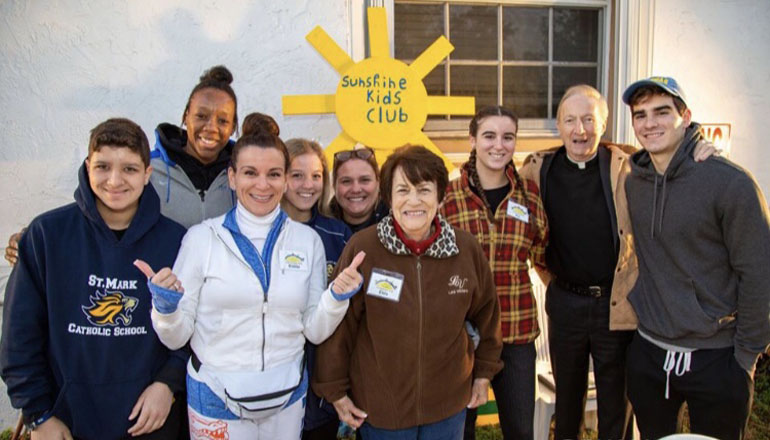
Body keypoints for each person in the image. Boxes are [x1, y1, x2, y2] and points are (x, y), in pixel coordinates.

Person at [519, 85, 719, 440]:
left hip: (615, 304)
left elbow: (669, 151)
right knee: (567, 404)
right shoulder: (538, 169)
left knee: (617, 406)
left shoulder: (627, 165)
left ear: (604, 123)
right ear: (558, 126)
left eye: (588, 120)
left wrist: (699, 140)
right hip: (564, 301)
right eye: (570, 121)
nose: (579, 130)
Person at [140, 130, 360, 439]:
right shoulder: (202, 239)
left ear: (284, 180)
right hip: (216, 398)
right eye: (249, 173)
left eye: (273, 174)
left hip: (286, 396)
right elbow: (176, 338)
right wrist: (165, 309)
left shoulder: (307, 241)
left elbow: (314, 330)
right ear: (231, 177)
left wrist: (336, 299)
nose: (262, 184)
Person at [0, 118, 188, 439]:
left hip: (151, 420)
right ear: (88, 167)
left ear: (147, 174)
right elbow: (19, 336)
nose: (115, 180)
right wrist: (39, 414)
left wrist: (167, 385)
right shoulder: (46, 236)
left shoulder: (177, 241)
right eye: (103, 166)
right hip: (67, 422)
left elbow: (195, 327)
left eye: (129, 169)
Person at [313, 145, 503, 439]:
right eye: (403, 190)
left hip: (448, 405)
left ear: (440, 196)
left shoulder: (466, 250)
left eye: (424, 190)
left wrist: (483, 374)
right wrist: (335, 391)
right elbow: (341, 327)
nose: (413, 200)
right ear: (388, 198)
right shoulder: (364, 249)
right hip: (382, 409)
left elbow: (488, 317)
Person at [621, 76, 770, 440]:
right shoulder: (633, 179)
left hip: (716, 357)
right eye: (640, 115)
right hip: (650, 352)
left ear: (685, 117)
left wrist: (746, 356)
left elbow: (759, 272)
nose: (650, 122)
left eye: (662, 112)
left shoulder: (729, 183)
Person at [441, 106, 548, 440]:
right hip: (464, 333)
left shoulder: (530, 195)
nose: (498, 145)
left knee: (520, 430)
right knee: (461, 429)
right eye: (489, 136)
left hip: (515, 330)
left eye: (508, 137)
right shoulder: (447, 196)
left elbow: (542, 251)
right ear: (473, 140)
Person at [280, 136, 352, 440]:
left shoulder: (337, 233)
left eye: (316, 176)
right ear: (280, 176)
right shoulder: (263, 232)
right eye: (297, 175)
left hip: (323, 380)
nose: (307, 185)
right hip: (276, 379)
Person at [150, 65, 238, 228]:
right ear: (186, 116)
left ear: (233, 127)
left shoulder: (244, 176)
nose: (211, 128)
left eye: (223, 121)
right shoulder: (149, 170)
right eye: (201, 116)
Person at [329, 146, 389, 234]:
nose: (356, 189)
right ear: (334, 185)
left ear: (378, 182)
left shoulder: (398, 225)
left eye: (365, 180)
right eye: (346, 181)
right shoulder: (321, 228)